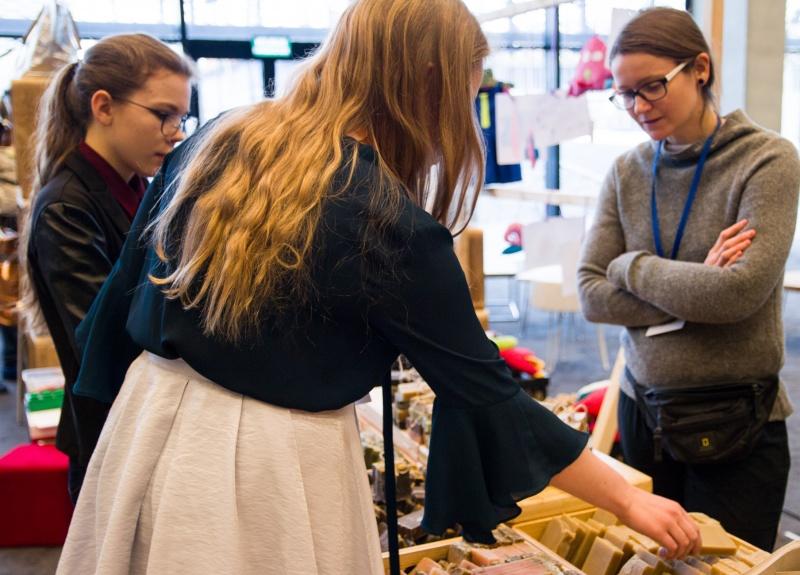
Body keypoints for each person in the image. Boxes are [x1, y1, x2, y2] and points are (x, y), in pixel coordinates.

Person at [57, 2, 699, 573]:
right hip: (266, 471)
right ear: (429, 82)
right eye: (464, 93)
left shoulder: (219, 136)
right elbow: (488, 395)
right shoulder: (386, 220)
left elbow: (119, 300)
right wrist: (627, 500)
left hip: (147, 423)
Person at [578, 7, 798, 551]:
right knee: (649, 561)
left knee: (727, 562)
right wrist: (696, 283)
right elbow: (590, 293)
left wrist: (631, 266)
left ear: (700, 69)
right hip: (642, 412)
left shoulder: (766, 160)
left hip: (736, 419)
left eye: (652, 87)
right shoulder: (627, 171)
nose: (639, 107)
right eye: (625, 94)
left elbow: (736, 294)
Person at [23, 33, 194, 504]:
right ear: (103, 107)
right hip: (110, 436)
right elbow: (103, 338)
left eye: (181, 117)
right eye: (163, 114)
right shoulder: (67, 206)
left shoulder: (137, 188)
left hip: (140, 427)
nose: (176, 132)